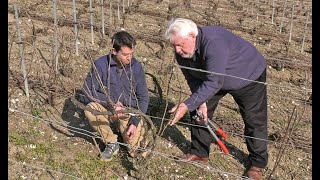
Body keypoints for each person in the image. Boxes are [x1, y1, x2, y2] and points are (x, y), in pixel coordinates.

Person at [164, 18, 268, 180]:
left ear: (192, 36)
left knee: (254, 120)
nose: (177, 50)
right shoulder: (182, 52)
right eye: (174, 45)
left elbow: (214, 81)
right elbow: (193, 79)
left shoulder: (214, 43)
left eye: (180, 45)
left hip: (247, 75)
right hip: (214, 78)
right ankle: (200, 153)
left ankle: (257, 164)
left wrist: (186, 104)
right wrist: (200, 103)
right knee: (198, 112)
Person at [79, 31, 150, 161]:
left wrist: (134, 123)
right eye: (125, 54)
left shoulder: (136, 67)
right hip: (107, 109)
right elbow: (85, 93)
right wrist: (111, 104)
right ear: (113, 51)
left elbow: (144, 99)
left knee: (137, 152)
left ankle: (131, 134)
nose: (129, 58)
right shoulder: (100, 65)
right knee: (90, 108)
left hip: (129, 112)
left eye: (131, 54)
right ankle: (111, 142)